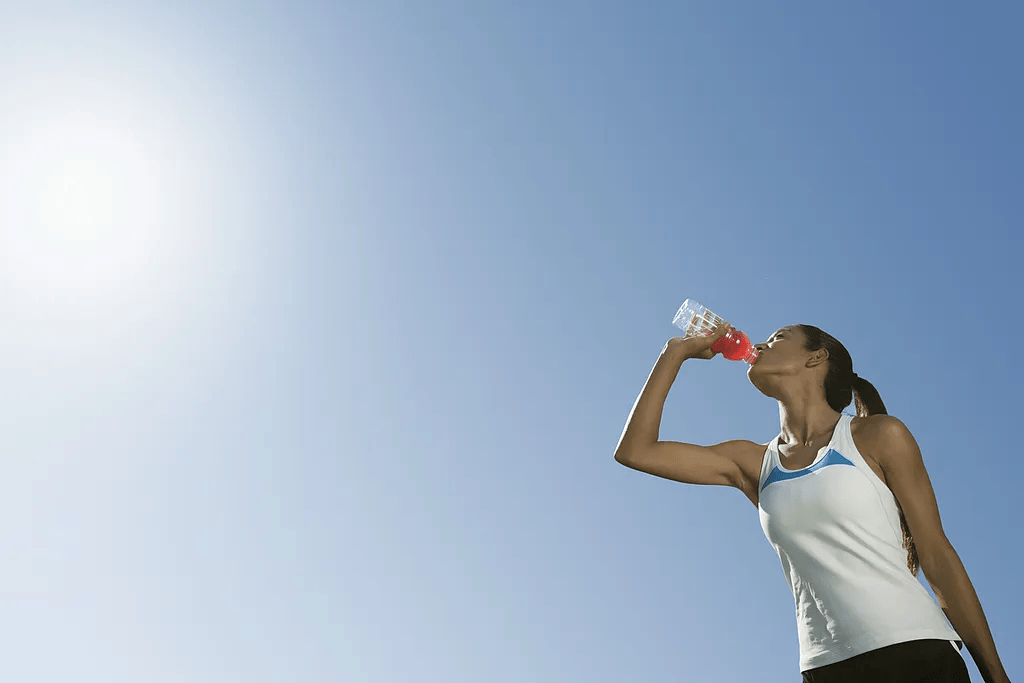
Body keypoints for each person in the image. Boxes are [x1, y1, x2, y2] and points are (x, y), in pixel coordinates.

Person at [614, 322, 1012, 683]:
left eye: (777, 338)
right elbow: (636, 451)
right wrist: (674, 353)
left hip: (913, 650)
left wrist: (996, 675)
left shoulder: (878, 435)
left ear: (816, 357)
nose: (758, 345)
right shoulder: (752, 462)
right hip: (824, 667)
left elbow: (937, 556)